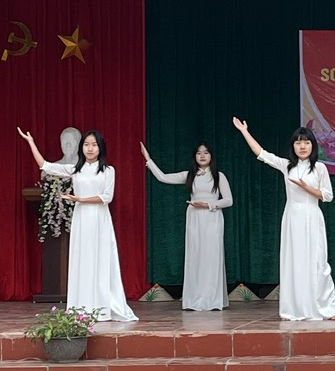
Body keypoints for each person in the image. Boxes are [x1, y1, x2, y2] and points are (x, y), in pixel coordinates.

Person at [16, 127, 137, 322]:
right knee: (83, 260)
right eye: (86, 145)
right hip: (81, 219)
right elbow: (45, 166)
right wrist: (31, 142)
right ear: (82, 148)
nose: (90, 148)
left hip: (100, 219)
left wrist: (79, 199)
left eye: (94, 145)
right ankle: (82, 307)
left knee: (101, 260)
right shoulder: (75, 169)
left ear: (100, 148)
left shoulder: (108, 170)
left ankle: (102, 307)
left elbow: (106, 197)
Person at [233, 117, 335, 322]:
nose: (303, 146)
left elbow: (328, 196)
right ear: (293, 146)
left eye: (306, 142)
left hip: (312, 216)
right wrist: (244, 131)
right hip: (292, 218)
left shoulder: (320, 168)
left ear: (313, 145)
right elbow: (262, 154)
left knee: (318, 262)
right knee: (294, 262)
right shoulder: (287, 166)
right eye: (298, 143)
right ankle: (293, 309)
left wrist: (308, 188)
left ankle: (327, 307)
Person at [140, 141, 234, 311]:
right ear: (194, 157)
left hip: (212, 217)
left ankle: (212, 299)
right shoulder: (190, 175)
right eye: (199, 153)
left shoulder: (219, 176)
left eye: (206, 152)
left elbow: (228, 200)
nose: (202, 156)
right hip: (194, 218)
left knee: (212, 256)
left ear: (211, 156)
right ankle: (194, 299)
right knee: (195, 256)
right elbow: (163, 177)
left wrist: (208, 204)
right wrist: (148, 160)